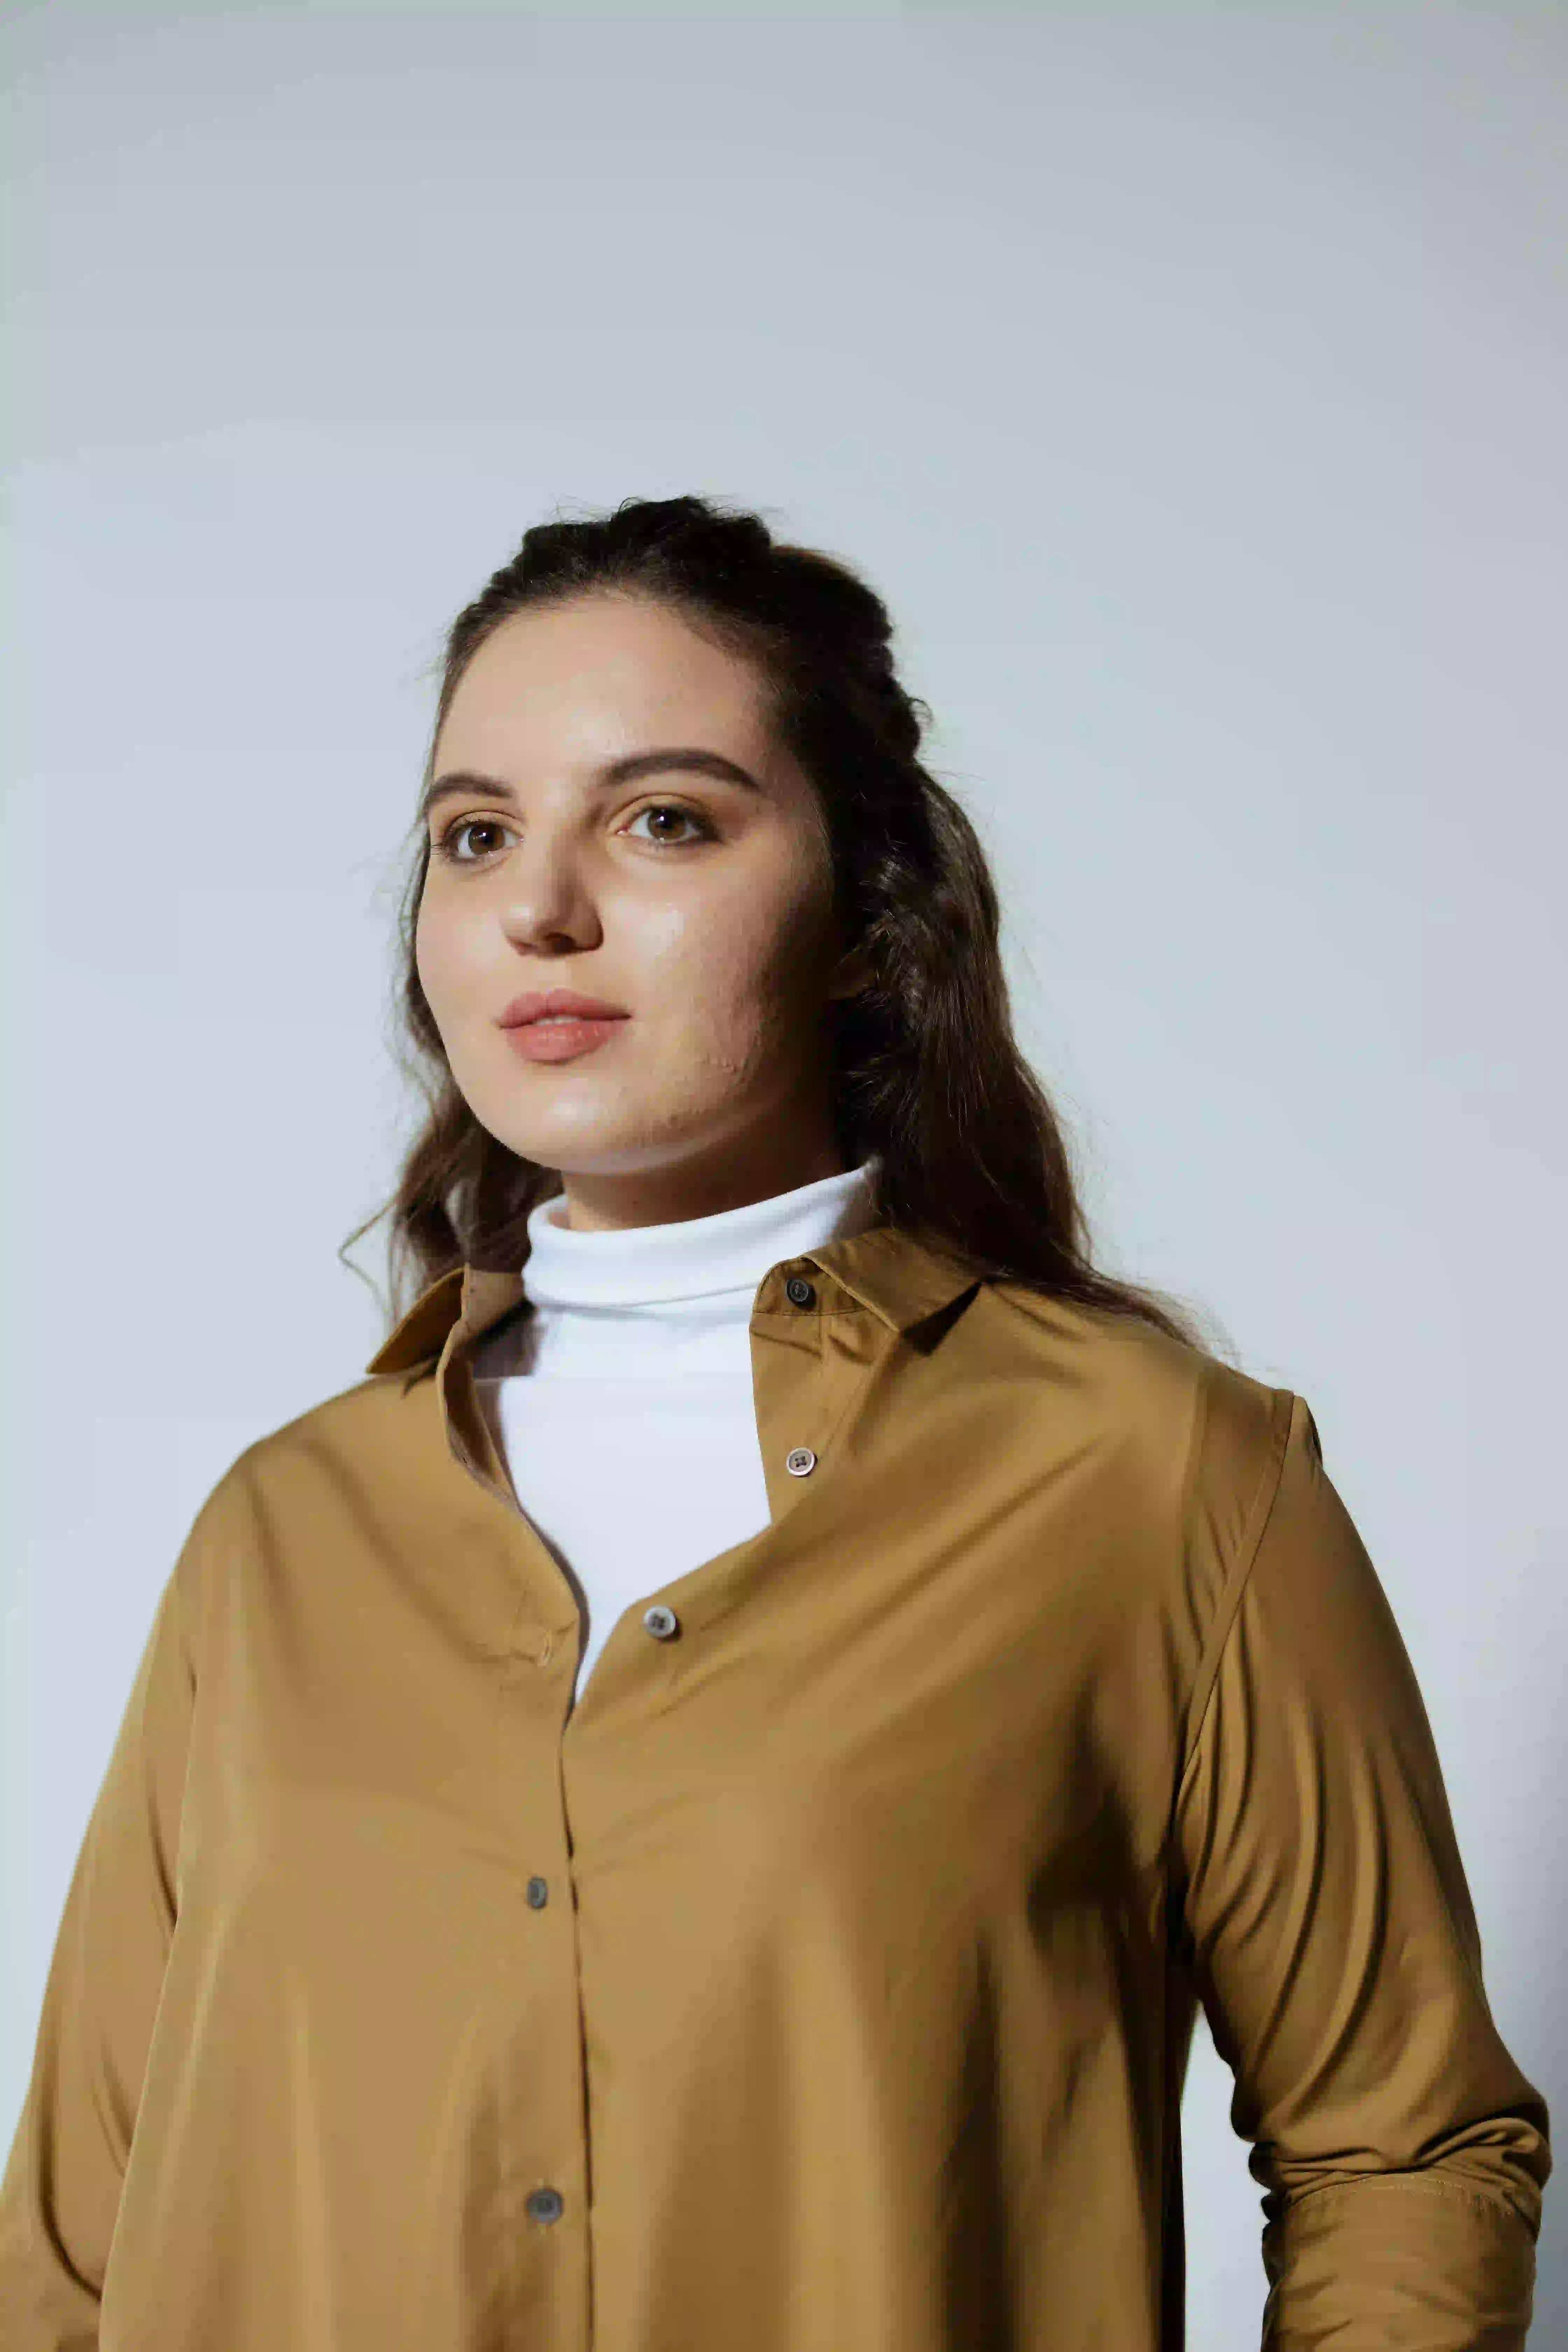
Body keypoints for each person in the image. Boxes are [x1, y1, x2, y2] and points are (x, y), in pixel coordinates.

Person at [0, 493, 1550, 2349]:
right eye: (474, 835)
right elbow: (77, 2249)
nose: (542, 908)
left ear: (860, 917)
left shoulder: (1155, 1481)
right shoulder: (284, 1530)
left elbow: (1405, 2145)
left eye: (664, 821)